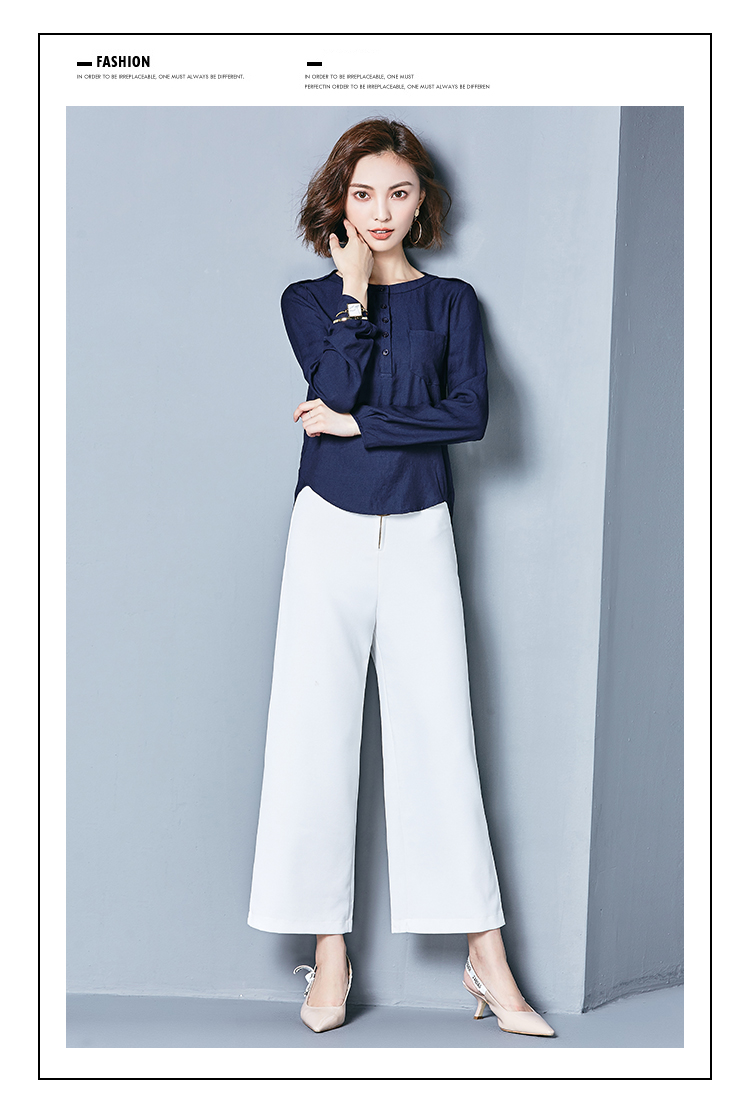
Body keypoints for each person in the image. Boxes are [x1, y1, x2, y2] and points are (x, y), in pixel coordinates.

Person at [247, 118, 554, 1038]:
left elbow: (469, 415)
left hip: (419, 526)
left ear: (422, 204)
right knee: (313, 733)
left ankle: (486, 955)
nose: (381, 211)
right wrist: (351, 293)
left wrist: (360, 427)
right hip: (326, 529)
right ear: (339, 203)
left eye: (400, 192)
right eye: (364, 194)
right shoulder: (308, 299)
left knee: (439, 735)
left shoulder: (454, 302)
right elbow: (334, 388)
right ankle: (330, 950)